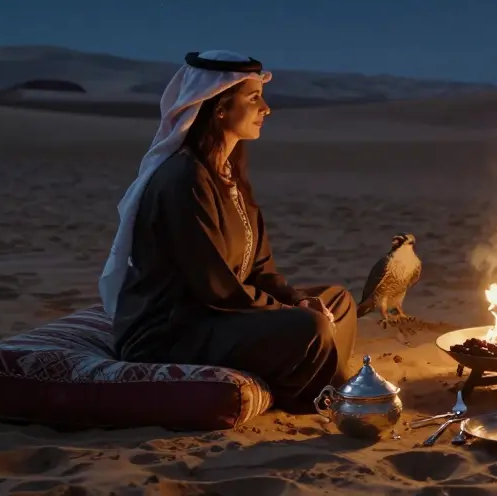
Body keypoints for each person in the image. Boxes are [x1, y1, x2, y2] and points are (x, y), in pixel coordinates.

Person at [98, 50, 357, 412]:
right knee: (310, 328)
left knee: (338, 302)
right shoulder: (185, 179)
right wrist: (295, 312)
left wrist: (296, 299)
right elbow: (216, 287)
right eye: (254, 99)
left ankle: (329, 386)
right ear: (219, 109)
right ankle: (331, 397)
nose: (266, 109)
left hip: (222, 314)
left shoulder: (228, 173)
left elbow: (260, 268)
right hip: (175, 329)